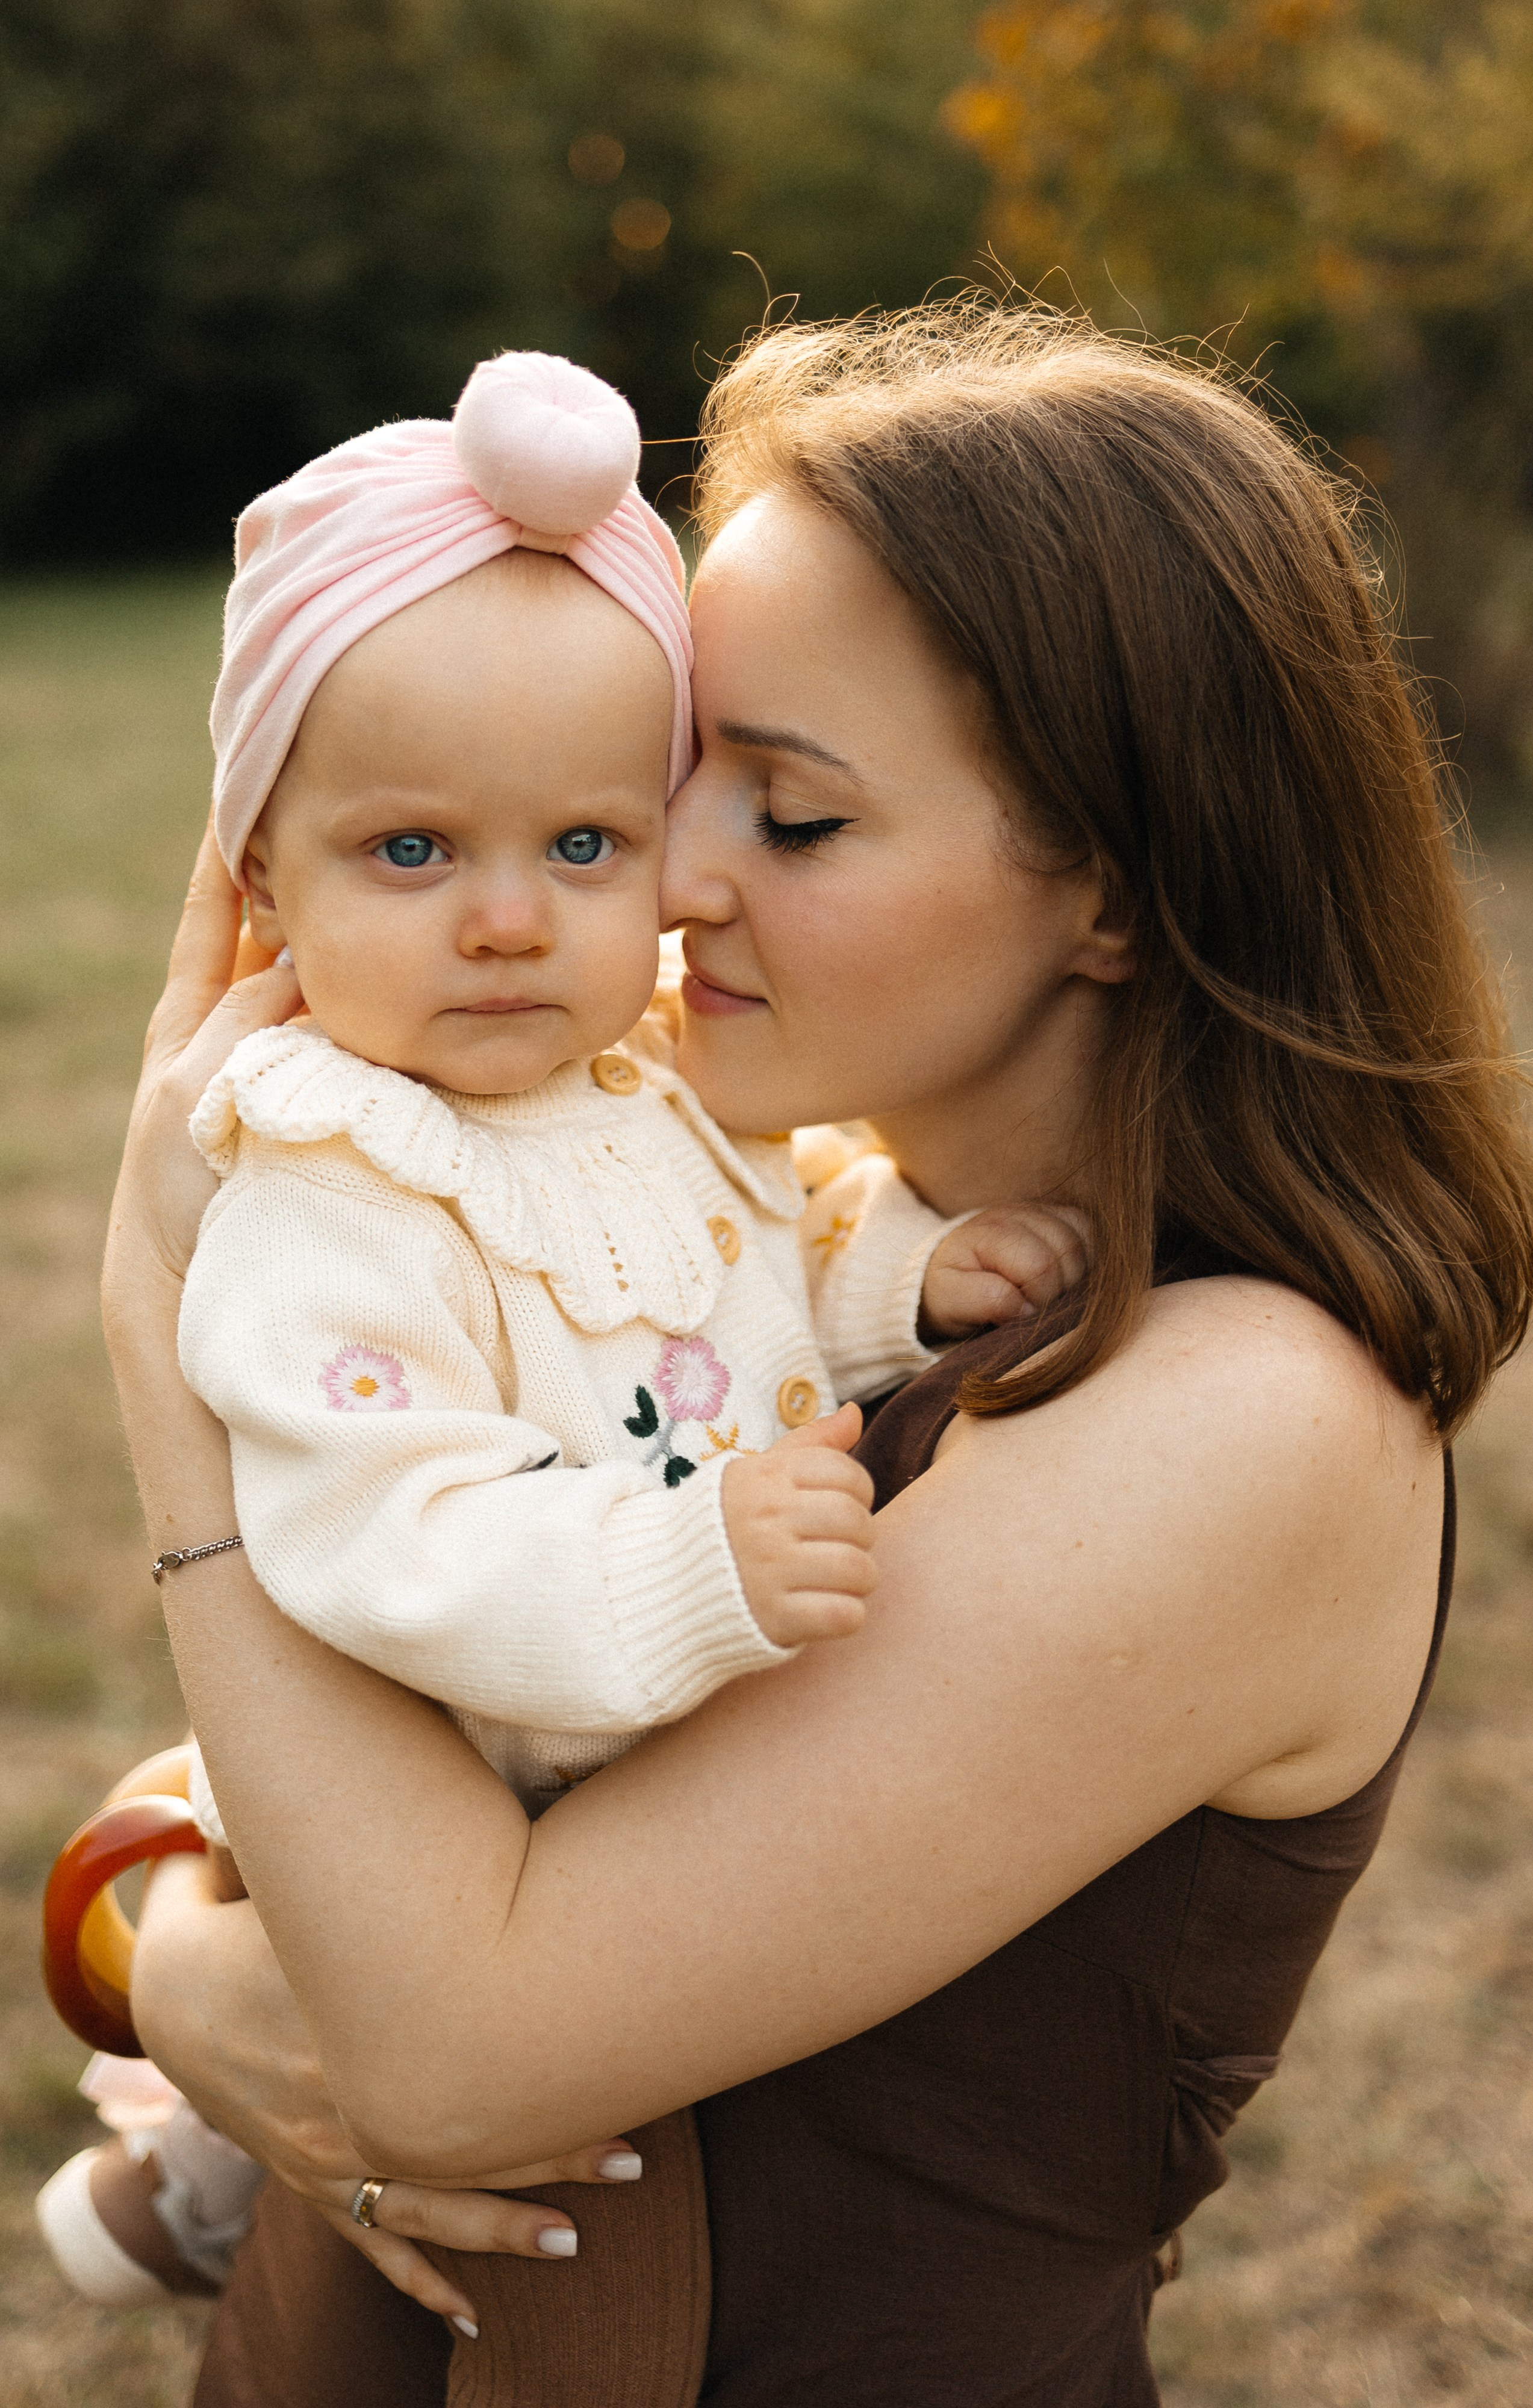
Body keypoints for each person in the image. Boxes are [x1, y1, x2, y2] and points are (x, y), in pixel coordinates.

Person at [106, 304, 1532, 2404]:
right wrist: (159, 1945)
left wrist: (172, 1332)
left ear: (1110, 897)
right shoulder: (795, 1228)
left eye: (790, 815)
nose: (669, 876)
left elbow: (448, 2049)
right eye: (681, 771)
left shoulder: (1241, 1426)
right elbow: (396, 1699)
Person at [39, 347, 1083, 2355]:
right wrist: (682, 1572)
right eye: (412, 854)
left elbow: (749, 1269)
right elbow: (383, 1530)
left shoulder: (652, 1088)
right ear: (262, 887)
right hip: (447, 1773)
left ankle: (186, 2169)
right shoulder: (330, 1185)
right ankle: (182, 2178)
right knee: (301, 2035)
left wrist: (906, 1281)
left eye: (586, 847)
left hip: (583, 1844)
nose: (513, 922)